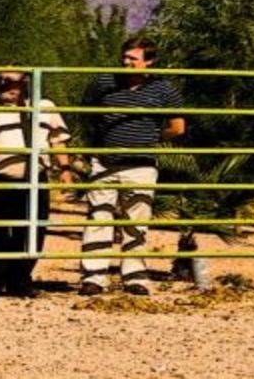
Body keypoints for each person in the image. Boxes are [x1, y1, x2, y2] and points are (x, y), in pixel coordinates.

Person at [78, 36, 185, 297]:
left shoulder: (163, 90)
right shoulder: (104, 82)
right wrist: (97, 143)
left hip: (141, 165)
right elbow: (87, 114)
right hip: (104, 162)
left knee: (136, 223)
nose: (126, 63)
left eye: (133, 59)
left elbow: (177, 127)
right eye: (124, 57)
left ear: (149, 62)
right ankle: (94, 278)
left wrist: (149, 139)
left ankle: (135, 277)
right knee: (98, 219)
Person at [0, 69, 74, 298]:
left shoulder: (45, 106)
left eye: (12, 81)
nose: (5, 86)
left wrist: (65, 169)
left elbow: (57, 140)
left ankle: (20, 280)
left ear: (26, 84)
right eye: (0, 81)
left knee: (33, 229)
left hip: (34, 178)